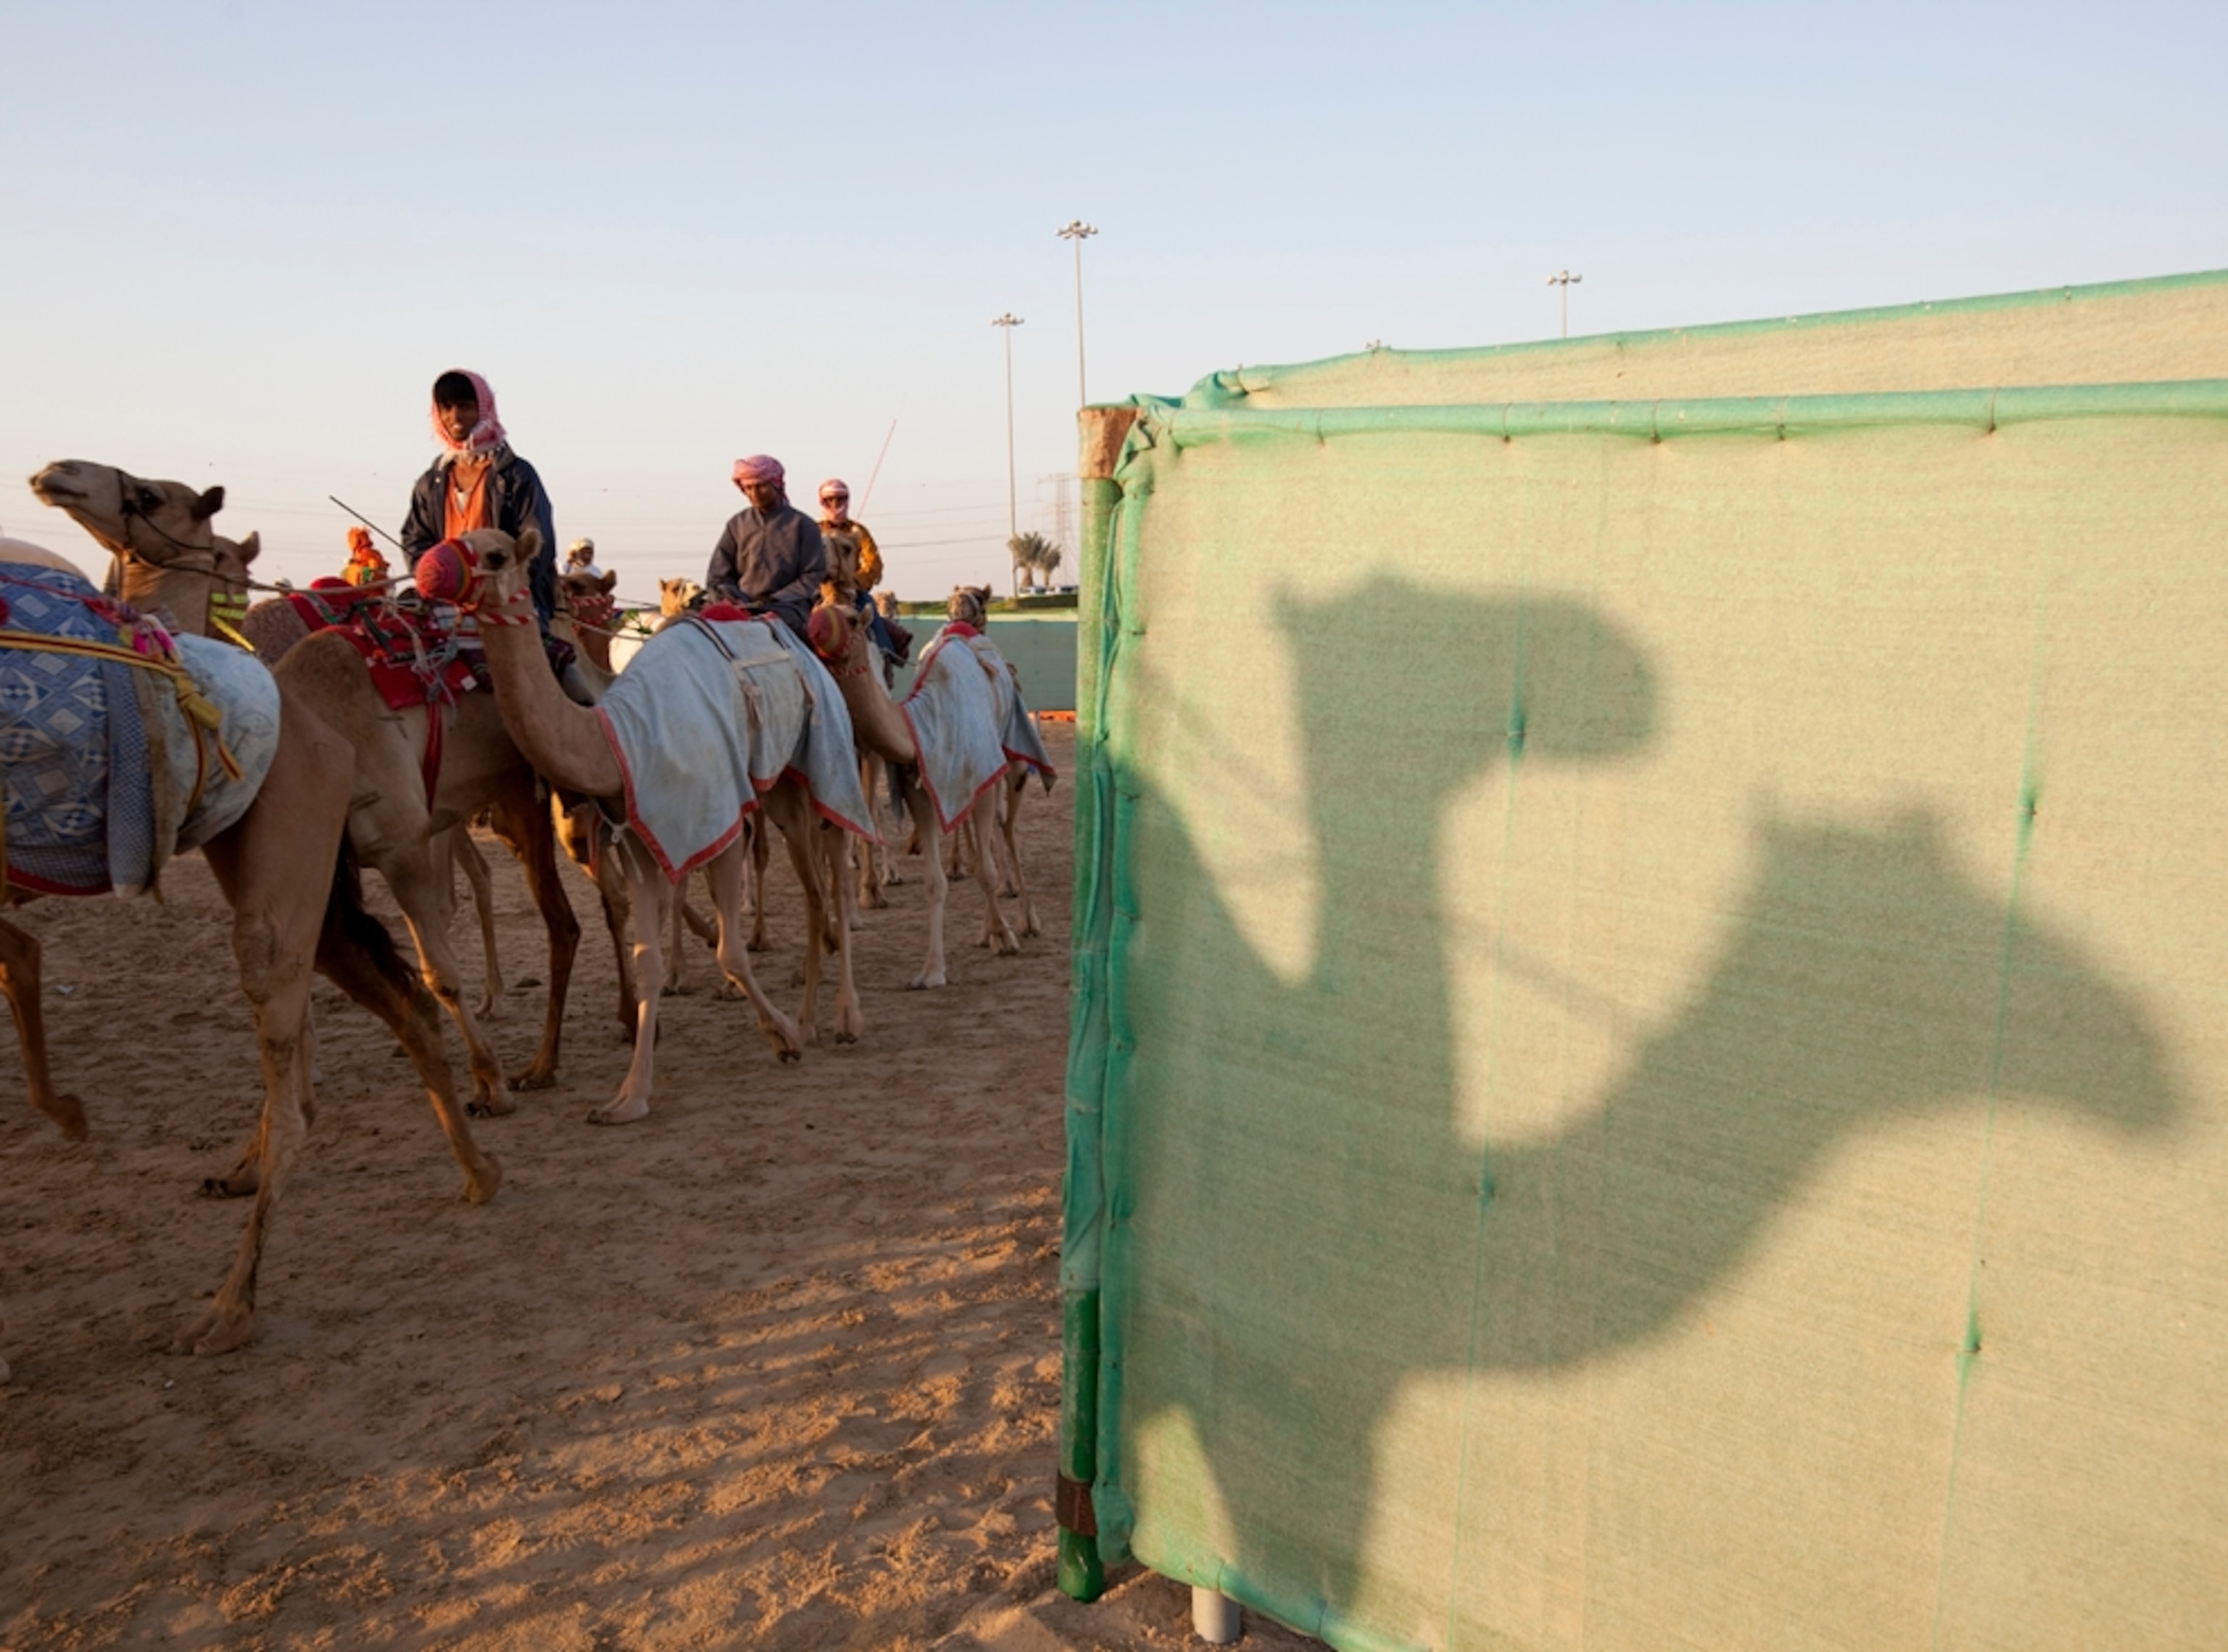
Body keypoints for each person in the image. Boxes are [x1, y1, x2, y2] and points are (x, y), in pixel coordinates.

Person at [399, 369, 558, 621]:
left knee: (546, 659)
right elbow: (415, 540)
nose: (455, 417)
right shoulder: (430, 484)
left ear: (483, 409)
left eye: (465, 406)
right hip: (449, 604)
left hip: (509, 601)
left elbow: (538, 542)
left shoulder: (516, 476)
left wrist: (502, 583)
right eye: (447, 408)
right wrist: (436, 576)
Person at [706, 455, 824, 638]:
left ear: (776, 485)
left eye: (761, 486)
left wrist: (777, 599)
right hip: (741, 605)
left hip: (788, 608)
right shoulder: (737, 525)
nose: (755, 493)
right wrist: (730, 597)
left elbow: (813, 573)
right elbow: (719, 574)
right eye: (749, 488)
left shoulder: (803, 525)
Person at [816, 479, 883, 590]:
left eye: (840, 499)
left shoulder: (858, 530)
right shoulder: (813, 530)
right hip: (818, 589)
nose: (835, 504)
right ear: (822, 502)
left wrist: (856, 581)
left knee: (870, 606)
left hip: (852, 589)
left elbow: (873, 562)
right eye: (830, 500)